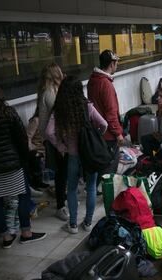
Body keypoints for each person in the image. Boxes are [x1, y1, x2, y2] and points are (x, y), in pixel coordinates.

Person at [0, 79, 46, 248]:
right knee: (23, 196)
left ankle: (6, 237)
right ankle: (26, 233)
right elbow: (20, 139)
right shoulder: (8, 112)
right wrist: (23, 160)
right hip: (12, 167)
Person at [46, 76, 108, 234]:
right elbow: (104, 124)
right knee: (91, 187)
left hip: (72, 155)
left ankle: (73, 224)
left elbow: (48, 132)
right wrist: (96, 136)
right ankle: (88, 223)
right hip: (89, 155)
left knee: (72, 189)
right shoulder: (87, 107)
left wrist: (61, 146)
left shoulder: (60, 110)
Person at [37, 62, 68, 221]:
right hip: (54, 139)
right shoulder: (49, 93)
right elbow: (60, 111)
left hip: (54, 137)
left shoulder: (48, 91)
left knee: (62, 172)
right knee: (61, 172)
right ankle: (61, 205)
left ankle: (63, 199)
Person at [87, 50, 123, 175]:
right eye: (116, 62)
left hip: (96, 130)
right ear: (112, 64)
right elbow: (111, 112)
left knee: (99, 166)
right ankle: (107, 192)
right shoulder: (105, 83)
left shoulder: (93, 80)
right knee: (109, 168)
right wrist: (118, 133)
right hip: (108, 134)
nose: (117, 65)